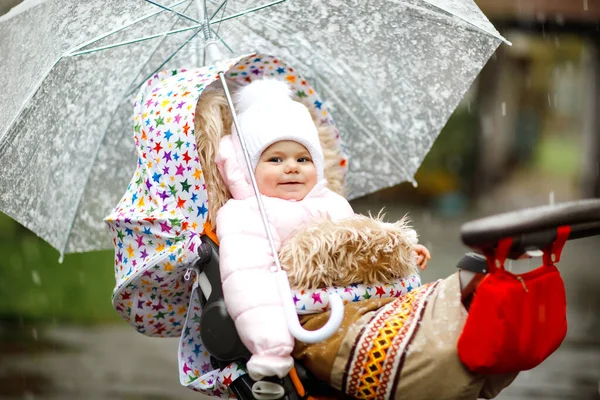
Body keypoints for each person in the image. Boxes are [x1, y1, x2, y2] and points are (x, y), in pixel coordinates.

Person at [212, 78, 431, 381]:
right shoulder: (245, 215)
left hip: (359, 307)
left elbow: (361, 245)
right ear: (248, 168)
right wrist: (271, 345)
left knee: (409, 336)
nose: (292, 167)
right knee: (374, 356)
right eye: (275, 159)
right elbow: (250, 285)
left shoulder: (332, 203)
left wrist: (400, 254)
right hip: (306, 325)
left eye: (303, 159)